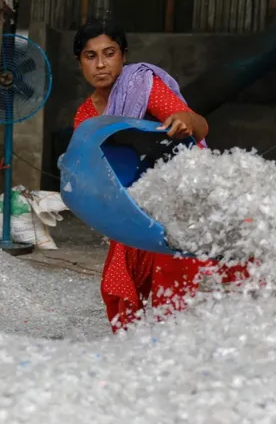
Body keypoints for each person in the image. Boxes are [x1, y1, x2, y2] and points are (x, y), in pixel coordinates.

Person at [71, 17, 246, 332]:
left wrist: (185, 120)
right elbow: (90, 172)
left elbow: (200, 125)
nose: (100, 64)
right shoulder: (85, 116)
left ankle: (175, 346)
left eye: (109, 53)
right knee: (118, 287)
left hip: (172, 196)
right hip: (128, 208)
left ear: (123, 56)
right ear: (80, 62)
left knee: (175, 279)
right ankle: (139, 352)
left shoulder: (142, 86)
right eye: (90, 55)